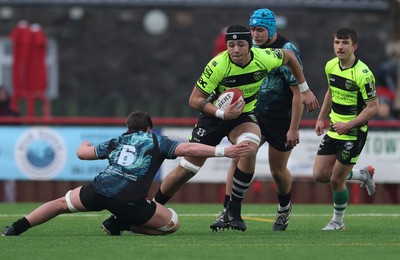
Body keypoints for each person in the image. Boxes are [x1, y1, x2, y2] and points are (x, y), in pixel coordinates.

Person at [150, 24, 311, 232]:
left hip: (243, 115)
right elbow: (194, 99)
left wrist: (304, 87)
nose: (235, 50)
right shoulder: (218, 65)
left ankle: (233, 211)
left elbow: (289, 56)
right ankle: (151, 209)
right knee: (187, 170)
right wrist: (221, 113)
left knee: (249, 146)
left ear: (250, 45)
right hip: (214, 116)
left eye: (241, 44)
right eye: (231, 45)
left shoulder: (265, 57)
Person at [1, 110, 251, 236]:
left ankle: (15, 228)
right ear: (150, 127)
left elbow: (83, 154)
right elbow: (189, 147)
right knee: (172, 223)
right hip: (130, 200)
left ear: (128, 127)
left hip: (99, 190)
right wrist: (223, 151)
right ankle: (121, 223)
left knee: (59, 204)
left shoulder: (117, 141)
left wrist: (83, 144)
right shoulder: (157, 141)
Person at [210, 8, 319, 232]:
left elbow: (297, 92)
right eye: (252, 30)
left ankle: (283, 209)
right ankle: (228, 211)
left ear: (271, 29)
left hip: (281, 119)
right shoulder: (251, 48)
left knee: (277, 171)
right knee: (238, 156)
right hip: (254, 115)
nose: (255, 34)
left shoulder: (286, 50)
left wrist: (294, 128)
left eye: (260, 30)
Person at [313, 28, 379, 231]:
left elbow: (374, 108)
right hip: (334, 129)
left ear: (354, 46)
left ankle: (338, 222)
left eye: (345, 43)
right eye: (337, 42)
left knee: (336, 179)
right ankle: (362, 174)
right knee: (320, 175)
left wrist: (348, 125)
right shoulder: (330, 65)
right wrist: (321, 118)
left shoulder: (363, 74)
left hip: (354, 132)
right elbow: (330, 92)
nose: (340, 47)